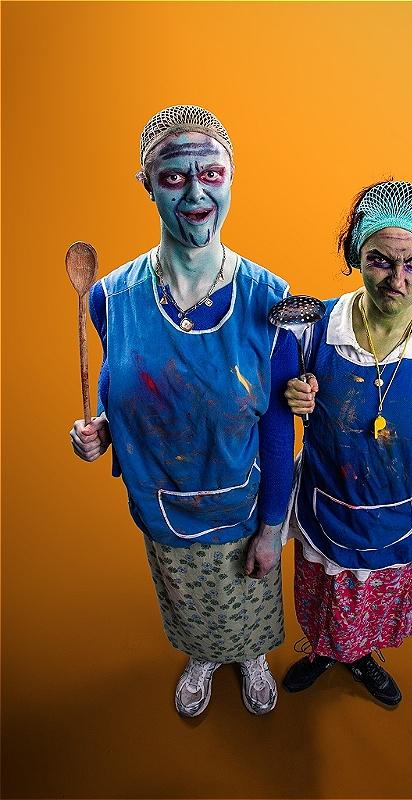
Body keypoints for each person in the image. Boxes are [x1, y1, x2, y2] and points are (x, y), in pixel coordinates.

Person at [70, 105, 298, 717]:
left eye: (212, 173)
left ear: (231, 177)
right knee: (189, 603)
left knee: (249, 600)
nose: (197, 193)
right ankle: (202, 656)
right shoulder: (110, 297)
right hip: (162, 502)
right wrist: (100, 430)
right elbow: (124, 386)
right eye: (174, 177)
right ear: (147, 185)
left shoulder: (271, 300)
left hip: (242, 506)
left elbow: (279, 427)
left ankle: (251, 656)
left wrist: (273, 526)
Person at [282, 179, 412, 706]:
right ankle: (323, 651)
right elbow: (269, 412)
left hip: (399, 522)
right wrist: (291, 395)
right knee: (323, 600)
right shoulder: (315, 328)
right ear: (355, 254)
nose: (397, 280)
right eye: (380, 261)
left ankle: (361, 657)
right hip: (324, 510)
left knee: (371, 609)